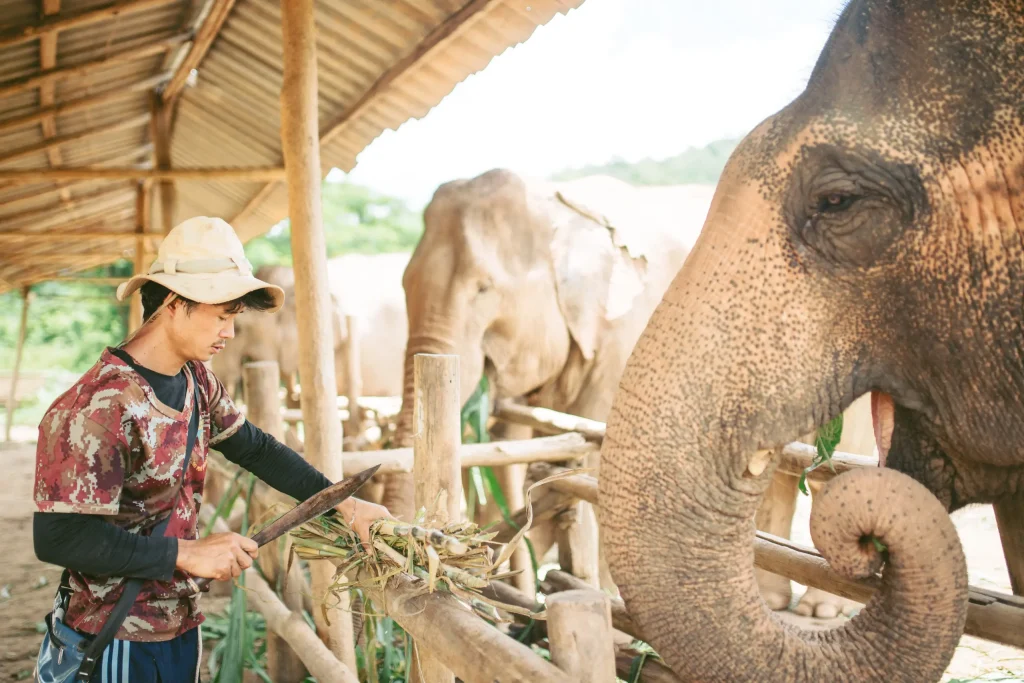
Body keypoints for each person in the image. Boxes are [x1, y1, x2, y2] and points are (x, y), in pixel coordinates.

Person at [32, 215, 393, 682]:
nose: (230, 333)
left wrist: (342, 506)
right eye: (222, 316)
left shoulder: (195, 379)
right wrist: (186, 554)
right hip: (117, 638)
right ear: (177, 304)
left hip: (180, 623)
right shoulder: (96, 407)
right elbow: (58, 537)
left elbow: (256, 450)